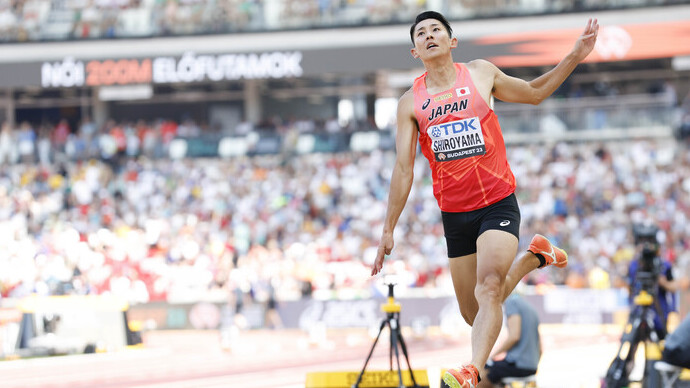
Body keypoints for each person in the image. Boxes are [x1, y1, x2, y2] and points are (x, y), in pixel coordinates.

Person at [371, 11, 598, 388]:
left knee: (490, 286)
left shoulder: (479, 73)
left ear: (451, 41)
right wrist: (387, 230)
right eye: (421, 34)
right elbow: (403, 170)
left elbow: (535, 93)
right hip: (455, 213)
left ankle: (471, 370)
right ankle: (533, 258)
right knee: (472, 312)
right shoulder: (410, 102)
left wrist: (574, 55)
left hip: (496, 201)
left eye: (436, 31)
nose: (429, 36)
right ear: (415, 51)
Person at [480, 293, 541, 388]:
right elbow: (540, 348)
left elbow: (514, 336)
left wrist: (491, 356)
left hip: (518, 365)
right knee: (495, 369)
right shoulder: (531, 308)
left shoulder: (511, 302)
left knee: (483, 372)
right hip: (532, 367)